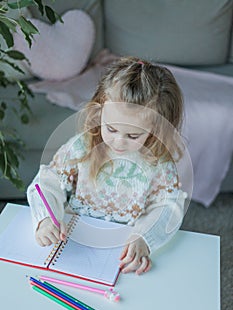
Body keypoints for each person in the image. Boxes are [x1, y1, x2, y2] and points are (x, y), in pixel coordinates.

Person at [27, 56, 188, 275]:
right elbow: (48, 182)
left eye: (133, 135)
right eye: (111, 129)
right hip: (72, 241)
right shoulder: (83, 146)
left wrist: (144, 238)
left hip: (121, 251)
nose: (118, 141)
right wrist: (46, 219)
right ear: (99, 112)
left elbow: (168, 206)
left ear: (157, 129)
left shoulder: (158, 163)